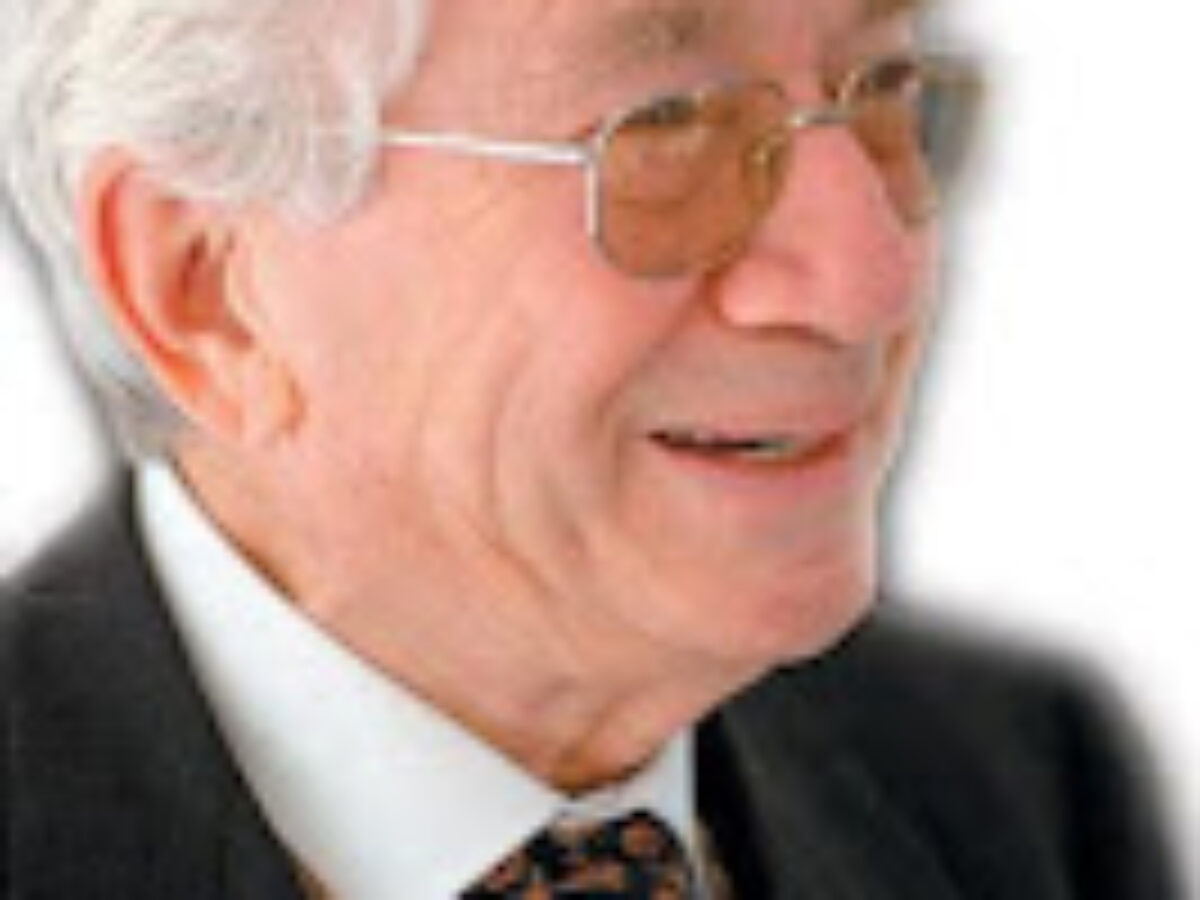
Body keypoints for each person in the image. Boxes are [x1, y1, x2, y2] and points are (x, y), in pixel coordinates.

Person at [0, 0, 1182, 897]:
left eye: (884, 87)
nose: (870, 278)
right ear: (206, 290)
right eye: (666, 126)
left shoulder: (1023, 790)